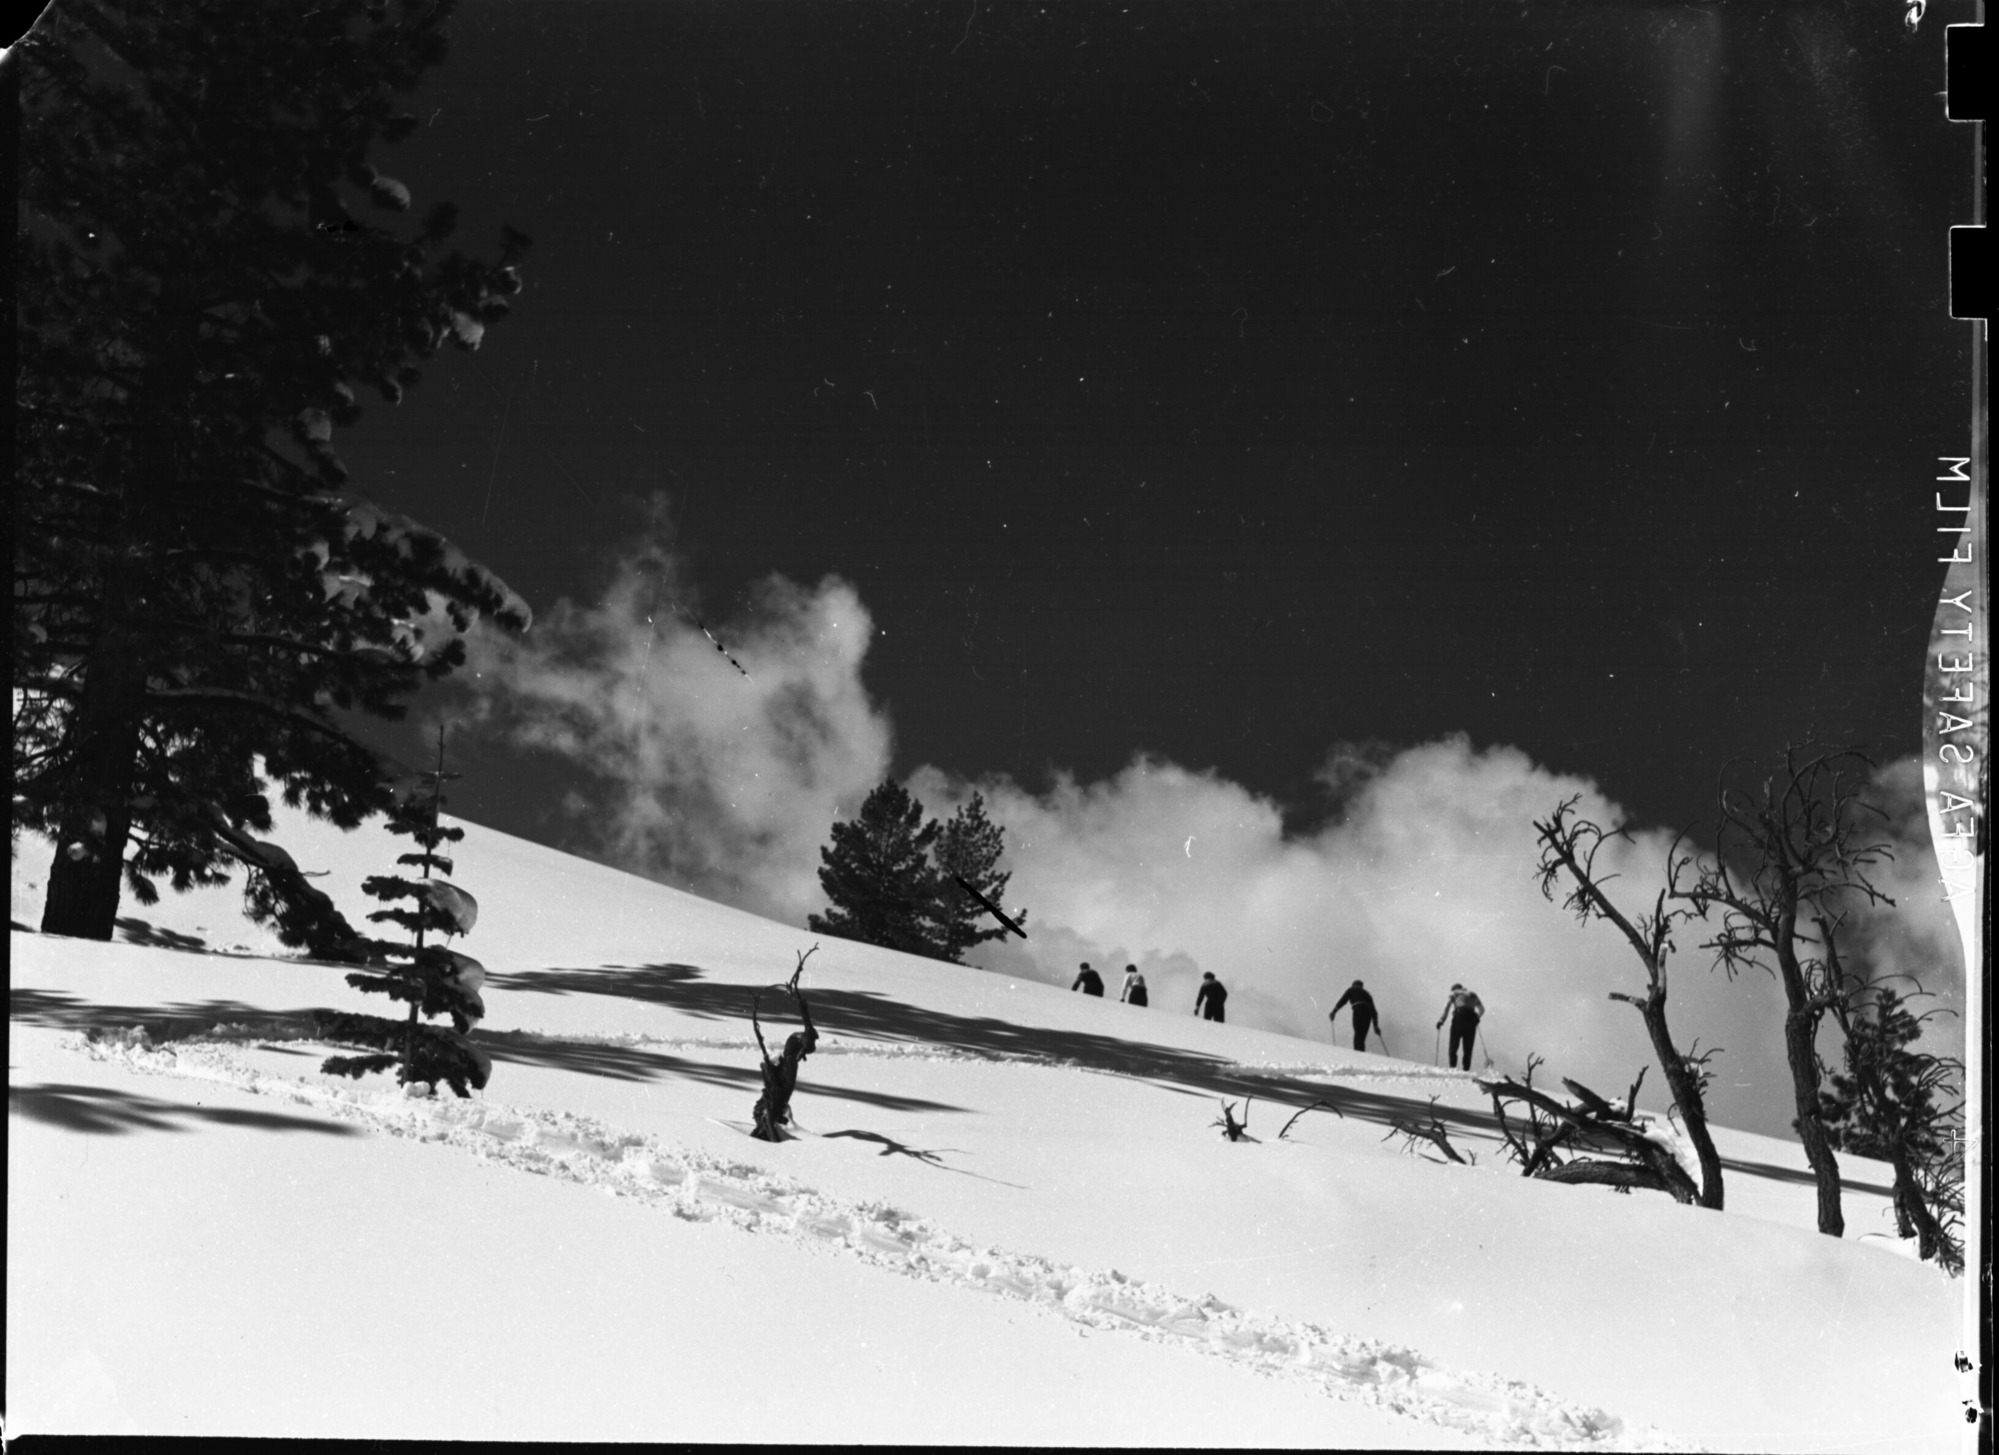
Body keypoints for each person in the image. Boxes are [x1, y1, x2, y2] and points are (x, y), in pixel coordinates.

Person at [751, 983, 819, 1142]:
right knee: (773, 1101)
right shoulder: (785, 1065)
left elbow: (808, 1047)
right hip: (769, 1109)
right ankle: (767, 1132)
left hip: (773, 1106)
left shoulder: (789, 1060)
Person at [1436, 983, 1484, 1069]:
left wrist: (1441, 1020)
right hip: (1471, 1018)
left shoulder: (1455, 993)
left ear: (1454, 989)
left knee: (1453, 1044)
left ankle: (1453, 1067)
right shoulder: (1472, 994)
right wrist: (1477, 1018)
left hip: (1459, 1016)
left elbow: (1447, 1007)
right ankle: (1466, 1069)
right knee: (1468, 1048)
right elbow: (1482, 1010)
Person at [1330, 978, 1377, 1051]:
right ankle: (1361, 1053)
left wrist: (1334, 1011)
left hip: (1358, 1010)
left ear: (1353, 985)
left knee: (1358, 1034)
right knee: (1362, 1037)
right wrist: (1375, 1026)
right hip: (1368, 1014)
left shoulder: (1351, 989)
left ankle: (1357, 1054)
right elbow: (1374, 1012)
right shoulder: (1368, 994)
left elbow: (1343, 1000)